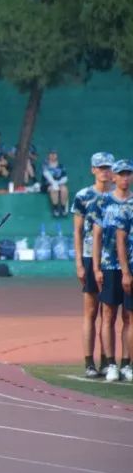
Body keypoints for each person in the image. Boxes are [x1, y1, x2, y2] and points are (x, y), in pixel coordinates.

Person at [90, 159, 133, 382]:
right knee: (108, 315)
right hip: (109, 265)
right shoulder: (103, 203)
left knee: (129, 316)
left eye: (128, 173)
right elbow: (96, 237)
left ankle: (127, 363)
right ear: (114, 177)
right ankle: (111, 364)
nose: (125, 178)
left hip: (131, 266)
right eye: (121, 174)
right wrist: (96, 267)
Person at [72, 152, 114, 378]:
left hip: (113, 260)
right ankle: (89, 362)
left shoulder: (120, 197)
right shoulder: (84, 196)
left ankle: (107, 360)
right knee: (91, 311)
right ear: (93, 170)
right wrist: (79, 262)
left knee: (109, 313)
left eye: (108, 167)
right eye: (101, 168)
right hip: (90, 257)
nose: (105, 172)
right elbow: (77, 231)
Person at [41, 149, 70, 217]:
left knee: (64, 189)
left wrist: (58, 183)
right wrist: (54, 183)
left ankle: (63, 208)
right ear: (48, 155)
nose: (53, 156)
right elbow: (46, 174)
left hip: (59, 183)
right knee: (54, 189)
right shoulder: (45, 164)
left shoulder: (61, 166)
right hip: (47, 184)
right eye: (51, 154)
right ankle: (55, 208)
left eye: (54, 154)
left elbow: (65, 178)